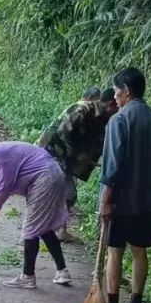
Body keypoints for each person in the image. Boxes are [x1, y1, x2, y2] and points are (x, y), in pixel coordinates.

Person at [99, 67, 151, 303]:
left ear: (126, 91)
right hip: (148, 202)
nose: (115, 98)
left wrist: (106, 200)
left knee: (114, 252)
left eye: (117, 93)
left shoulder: (119, 120)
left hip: (121, 202)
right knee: (140, 252)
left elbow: (112, 167)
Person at [0, 131, 70, 289]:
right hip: (49, 176)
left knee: (31, 228)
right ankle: (62, 271)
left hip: (45, 178)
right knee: (43, 227)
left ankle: (28, 276)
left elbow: (3, 189)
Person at [38, 87, 119, 254]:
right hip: (51, 153)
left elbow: (99, 143)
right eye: (118, 106)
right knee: (67, 193)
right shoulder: (82, 109)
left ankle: (57, 229)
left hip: (66, 159)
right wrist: (80, 155)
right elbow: (63, 132)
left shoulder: (105, 119)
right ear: (111, 104)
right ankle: (47, 227)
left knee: (67, 194)